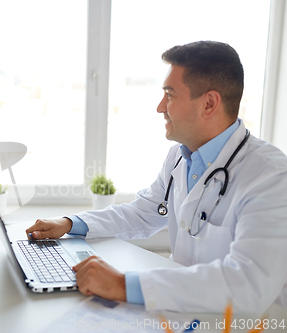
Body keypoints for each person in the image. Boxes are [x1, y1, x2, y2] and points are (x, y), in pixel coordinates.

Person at [26, 41, 287, 314]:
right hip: (181, 312)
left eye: (170, 95)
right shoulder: (180, 156)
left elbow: (248, 284)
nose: (160, 107)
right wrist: (70, 223)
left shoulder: (270, 176)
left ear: (209, 103)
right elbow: (141, 213)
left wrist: (123, 284)